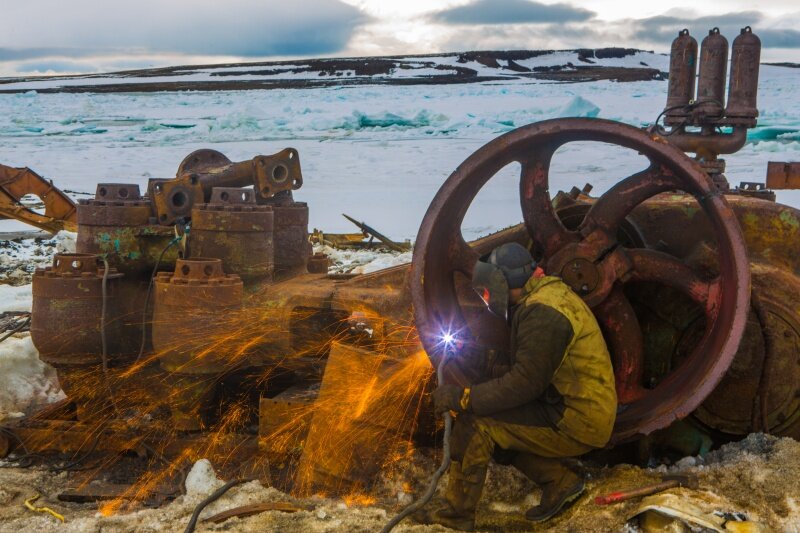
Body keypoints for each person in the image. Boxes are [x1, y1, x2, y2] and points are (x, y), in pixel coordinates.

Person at [417, 242, 618, 531]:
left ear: (501, 282)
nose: (486, 298)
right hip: (571, 406)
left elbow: (525, 383)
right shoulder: (547, 295)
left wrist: (463, 399)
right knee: (502, 427)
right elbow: (535, 365)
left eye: (487, 291)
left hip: (576, 420)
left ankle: (455, 517)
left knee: (478, 424)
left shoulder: (543, 313)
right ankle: (560, 481)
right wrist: (482, 358)